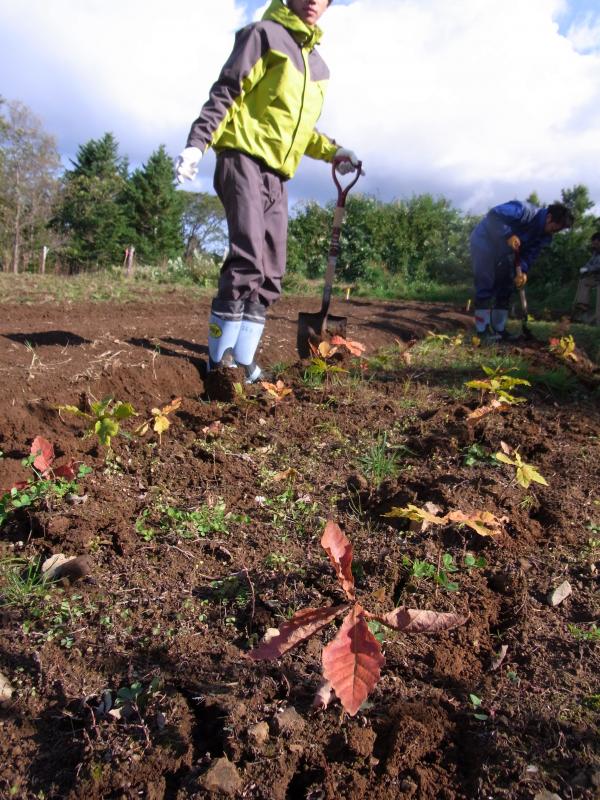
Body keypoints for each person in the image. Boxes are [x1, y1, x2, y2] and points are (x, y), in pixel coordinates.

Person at [174, 0, 362, 382]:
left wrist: (333, 151)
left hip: (278, 174)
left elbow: (296, 129)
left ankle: (243, 361)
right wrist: (198, 142)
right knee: (248, 260)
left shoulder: (318, 67)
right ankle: (219, 361)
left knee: (271, 272)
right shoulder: (263, 36)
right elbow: (228, 90)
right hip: (241, 156)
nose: (314, 1)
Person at [470, 200, 574, 340]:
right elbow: (494, 215)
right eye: (555, 228)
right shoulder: (524, 211)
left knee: (506, 285)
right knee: (486, 282)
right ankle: (482, 331)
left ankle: (499, 330)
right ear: (549, 217)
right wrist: (507, 234)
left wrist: (523, 271)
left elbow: (530, 254)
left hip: (504, 252)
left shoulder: (544, 235)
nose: (555, 232)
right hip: (484, 242)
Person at [572, 232, 600, 325]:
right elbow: (590, 263)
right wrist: (584, 268)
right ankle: (582, 304)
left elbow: (597, 266)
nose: (594, 245)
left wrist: (588, 269)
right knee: (584, 281)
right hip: (596, 278)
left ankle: (598, 320)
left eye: (595, 243)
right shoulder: (596, 253)